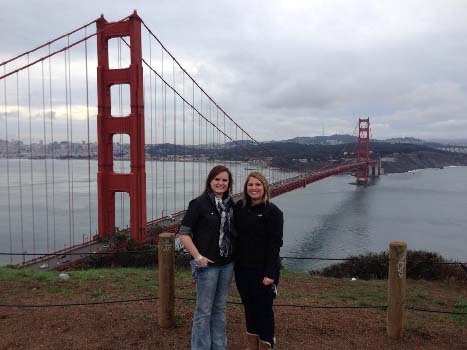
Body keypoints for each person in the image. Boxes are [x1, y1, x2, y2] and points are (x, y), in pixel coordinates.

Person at [178, 165, 236, 350]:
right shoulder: (198, 204)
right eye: (217, 179)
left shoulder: (231, 204)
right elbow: (184, 234)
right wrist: (198, 257)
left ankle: (219, 346)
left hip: (226, 265)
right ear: (210, 181)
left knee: (220, 309)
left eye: (224, 180)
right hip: (207, 266)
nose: (220, 183)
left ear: (229, 184)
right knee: (204, 311)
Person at [234, 172, 283, 350]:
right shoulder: (239, 207)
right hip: (242, 269)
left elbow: (275, 245)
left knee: (264, 309)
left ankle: (266, 344)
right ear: (246, 188)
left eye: (258, 185)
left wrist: (270, 273)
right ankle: (252, 345)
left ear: (265, 188)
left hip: (264, 271)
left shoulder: (273, 212)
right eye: (250, 185)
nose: (254, 188)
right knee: (248, 306)